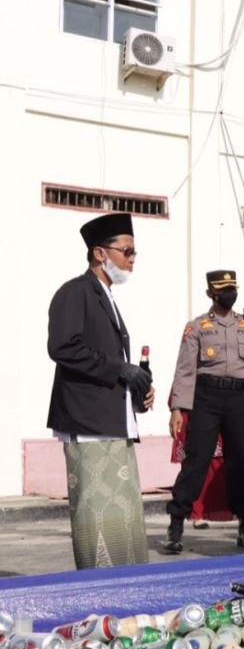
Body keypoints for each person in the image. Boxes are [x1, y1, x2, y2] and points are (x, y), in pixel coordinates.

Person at [47, 212, 152, 569]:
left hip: (113, 423)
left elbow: (106, 358)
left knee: (124, 518)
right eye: (127, 251)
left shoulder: (105, 295)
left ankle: (129, 587)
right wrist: (119, 369)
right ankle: (100, 590)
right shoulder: (75, 291)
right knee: (98, 521)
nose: (132, 258)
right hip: (88, 424)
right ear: (99, 253)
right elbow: (63, 347)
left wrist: (135, 388)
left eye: (134, 252)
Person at [165, 271, 244, 553]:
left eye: (232, 289)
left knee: (239, 462)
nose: (229, 294)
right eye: (223, 290)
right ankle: (176, 524)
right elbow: (185, 370)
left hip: (239, 398)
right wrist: (177, 408)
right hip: (206, 398)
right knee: (197, 461)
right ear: (210, 294)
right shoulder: (198, 327)